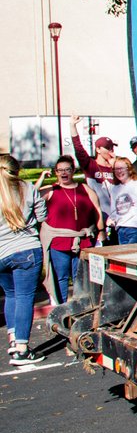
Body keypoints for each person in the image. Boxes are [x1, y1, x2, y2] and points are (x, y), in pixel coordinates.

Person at [0, 154, 48, 366]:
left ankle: (13, 340)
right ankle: (21, 349)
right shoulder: (27, 188)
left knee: (11, 295)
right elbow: (42, 216)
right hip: (26, 248)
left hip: (1, 252)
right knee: (25, 297)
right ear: (17, 170)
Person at [39, 156, 103, 303]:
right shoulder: (51, 190)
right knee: (60, 276)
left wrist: (101, 231)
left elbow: (97, 210)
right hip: (59, 242)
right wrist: (42, 178)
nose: (64, 173)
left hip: (83, 240)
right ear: (56, 172)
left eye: (67, 169)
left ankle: (79, 306)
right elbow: (30, 198)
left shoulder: (84, 188)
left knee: (79, 277)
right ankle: (61, 307)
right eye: (60, 170)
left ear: (73, 171)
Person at [69, 115, 115, 216]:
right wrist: (72, 126)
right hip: (98, 213)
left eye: (112, 147)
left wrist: (115, 166)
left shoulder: (116, 165)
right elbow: (78, 148)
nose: (111, 150)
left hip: (118, 214)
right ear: (98, 149)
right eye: (107, 148)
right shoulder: (89, 164)